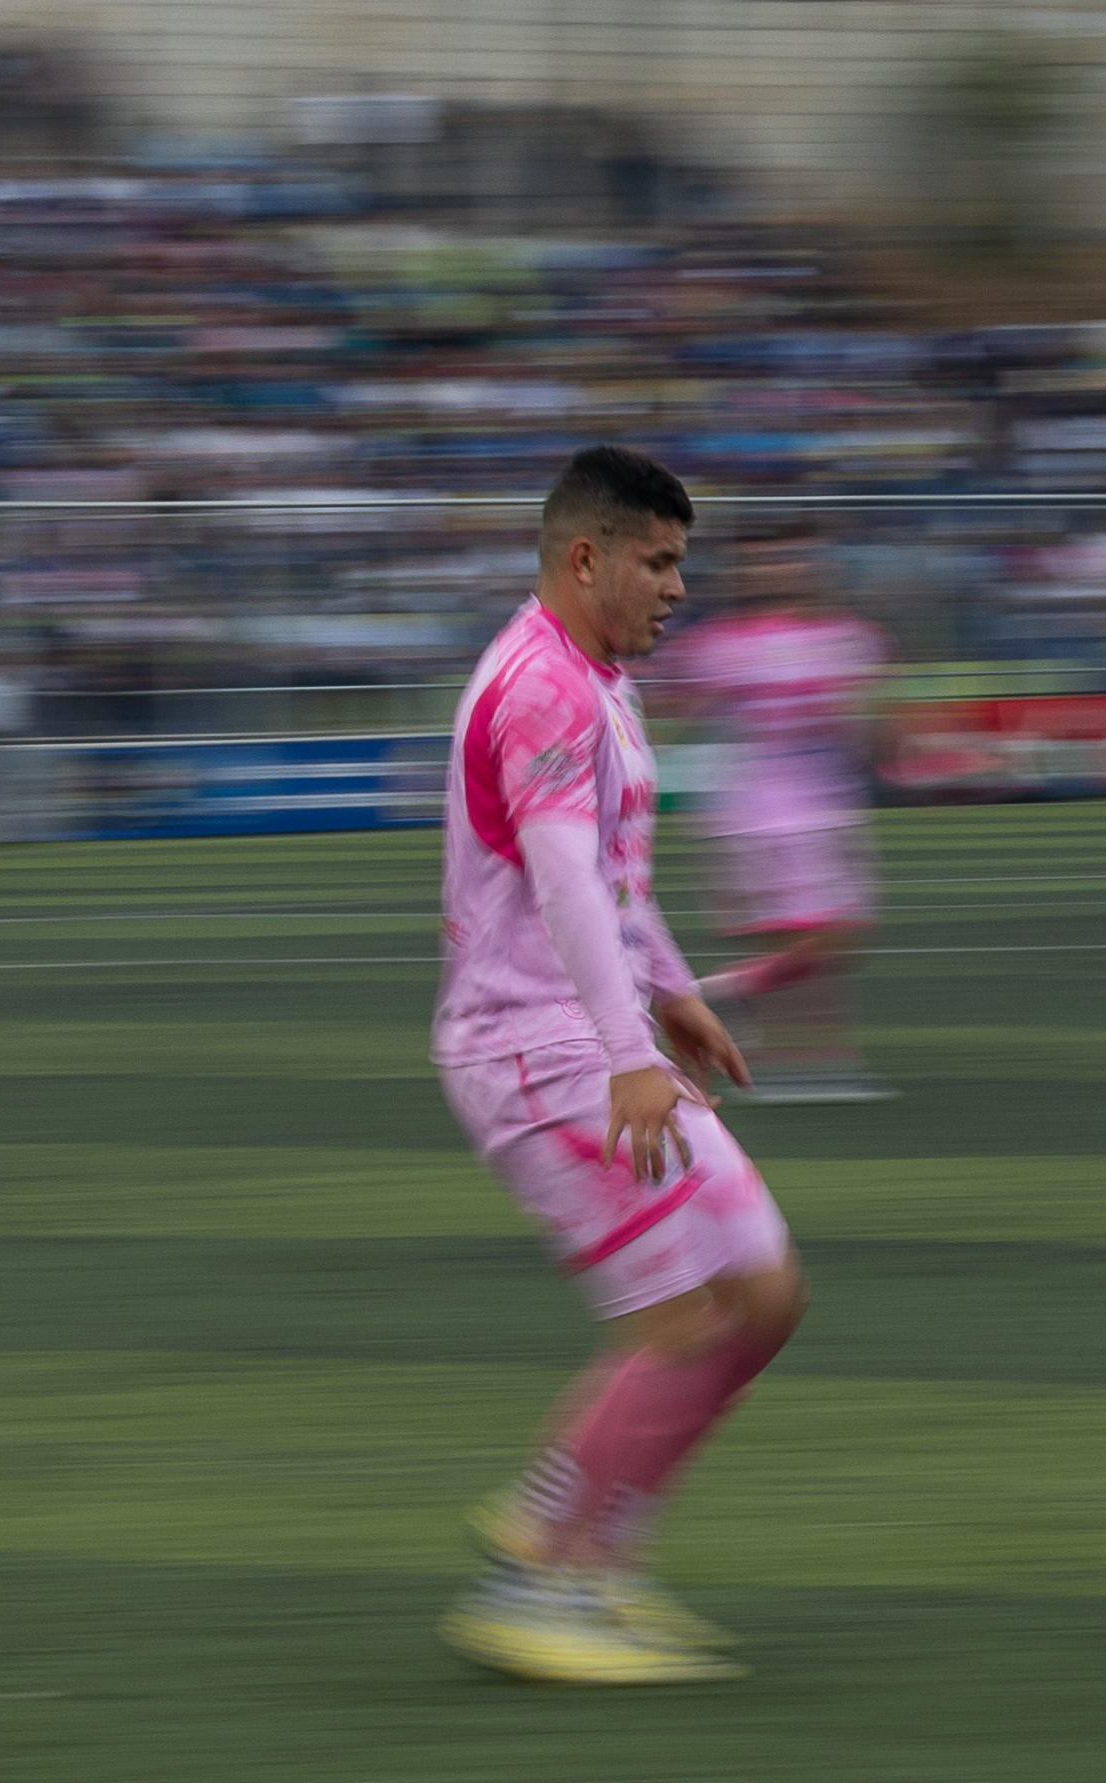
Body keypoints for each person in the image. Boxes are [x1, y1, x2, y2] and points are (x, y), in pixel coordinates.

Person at [431, 445, 805, 1686]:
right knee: (685, 1317)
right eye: (658, 560)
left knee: (763, 1292)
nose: (677, 587)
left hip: (591, 1035)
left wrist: (676, 994)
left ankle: (593, 1554)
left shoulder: (595, 676)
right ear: (585, 558)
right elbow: (559, 885)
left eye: (680, 561)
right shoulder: (544, 685)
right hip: (540, 1052)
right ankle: (533, 1578)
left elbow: (614, 886)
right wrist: (629, 1045)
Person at [654, 517, 894, 1102]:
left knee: (822, 942)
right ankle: (725, 1001)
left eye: (790, 556)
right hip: (762, 811)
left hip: (827, 807)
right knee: (828, 937)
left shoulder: (845, 637)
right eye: (764, 558)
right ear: (745, 571)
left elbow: (874, 726)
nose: (778, 568)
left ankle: (809, 1061)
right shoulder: (722, 643)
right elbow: (672, 710)